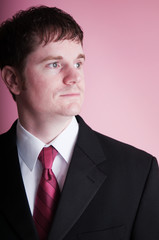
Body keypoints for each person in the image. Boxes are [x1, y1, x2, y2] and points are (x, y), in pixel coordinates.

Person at [0, 6, 159, 240]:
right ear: (13, 80)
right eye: (54, 64)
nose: (74, 77)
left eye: (78, 63)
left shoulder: (139, 172)